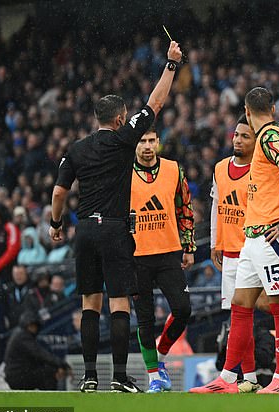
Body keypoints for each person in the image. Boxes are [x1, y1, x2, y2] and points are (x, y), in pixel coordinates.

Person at [49, 40, 183, 393]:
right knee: (119, 303)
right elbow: (154, 104)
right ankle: (120, 378)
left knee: (89, 304)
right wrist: (170, 65)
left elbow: (60, 192)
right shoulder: (125, 140)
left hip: (85, 233)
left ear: (97, 120)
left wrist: (55, 223)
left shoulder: (76, 149)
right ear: (122, 118)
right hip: (113, 229)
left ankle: (90, 376)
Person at [190, 87, 279, 394]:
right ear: (272, 107)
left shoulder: (270, 137)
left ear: (246, 109)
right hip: (252, 236)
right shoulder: (266, 139)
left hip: (270, 235)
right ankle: (228, 378)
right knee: (240, 305)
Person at [131, 128, 195, 393]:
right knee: (145, 320)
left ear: (158, 143)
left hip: (169, 251)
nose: (147, 146)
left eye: (151, 141)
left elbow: (185, 207)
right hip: (136, 255)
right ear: (134, 145)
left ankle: (161, 353)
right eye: (142, 141)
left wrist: (189, 246)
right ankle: (154, 376)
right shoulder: (123, 172)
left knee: (183, 310)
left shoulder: (172, 169)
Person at [4, 311, 71, 390]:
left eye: (35, 326)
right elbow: (40, 354)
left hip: (16, 374)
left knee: (49, 371)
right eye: (32, 325)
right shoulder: (23, 337)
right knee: (49, 374)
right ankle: (50, 400)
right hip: (18, 376)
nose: (34, 328)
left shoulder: (19, 334)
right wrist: (61, 364)